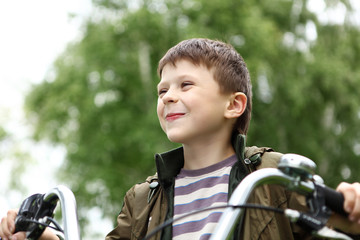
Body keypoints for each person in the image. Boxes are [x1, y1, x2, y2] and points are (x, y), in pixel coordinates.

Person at [1, 38, 360, 240]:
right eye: (162, 90)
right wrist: (45, 238)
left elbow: (337, 221)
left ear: (233, 104)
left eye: (185, 85)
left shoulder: (272, 176)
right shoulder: (143, 199)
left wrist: (351, 203)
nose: (168, 97)